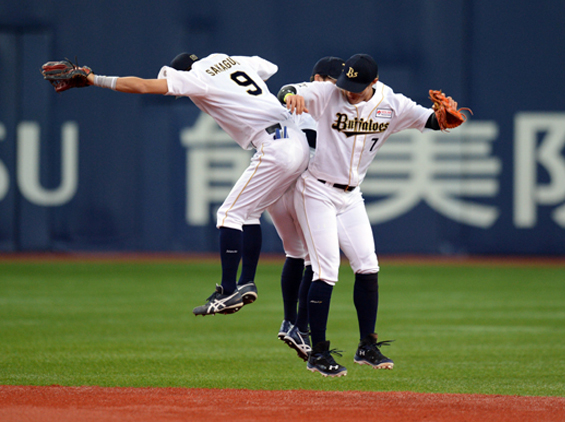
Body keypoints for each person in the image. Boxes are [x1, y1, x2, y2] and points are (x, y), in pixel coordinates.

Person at [285, 54, 468, 377]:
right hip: (315, 191)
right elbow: (289, 90)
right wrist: (291, 95)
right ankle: (318, 352)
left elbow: (430, 120)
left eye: (357, 87)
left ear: (374, 82)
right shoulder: (329, 93)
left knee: (368, 266)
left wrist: (443, 120)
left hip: (351, 196)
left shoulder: (391, 103)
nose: (349, 91)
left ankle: (366, 346)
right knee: (326, 271)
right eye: (346, 84)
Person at [87, 52, 310, 316]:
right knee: (249, 213)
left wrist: (95, 79)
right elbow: (269, 66)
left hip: (275, 146)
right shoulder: (231, 60)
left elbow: (142, 86)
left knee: (228, 214)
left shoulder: (195, 77)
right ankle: (246, 282)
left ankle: (227, 291)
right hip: (296, 140)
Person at [268, 57, 345, 362]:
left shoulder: (288, 107)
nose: (337, 88)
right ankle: (300, 327)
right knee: (316, 258)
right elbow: (287, 91)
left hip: (274, 185)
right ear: (316, 79)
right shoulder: (315, 104)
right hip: (302, 186)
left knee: (295, 253)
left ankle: (290, 321)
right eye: (332, 82)